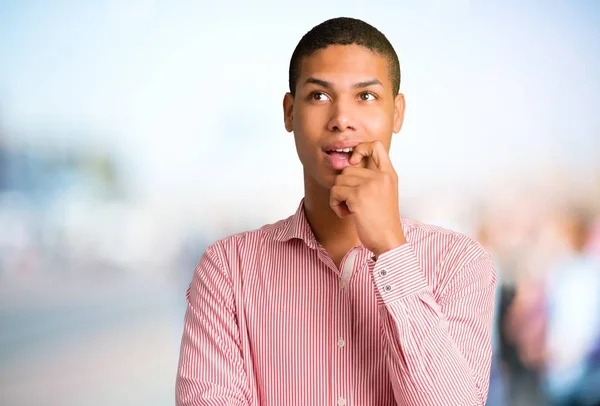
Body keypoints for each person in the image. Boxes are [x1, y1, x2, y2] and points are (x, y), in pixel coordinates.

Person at [176, 17, 496, 406]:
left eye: (365, 97)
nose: (342, 118)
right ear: (289, 112)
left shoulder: (459, 264)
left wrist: (391, 250)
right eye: (320, 97)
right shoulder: (228, 270)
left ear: (397, 113)